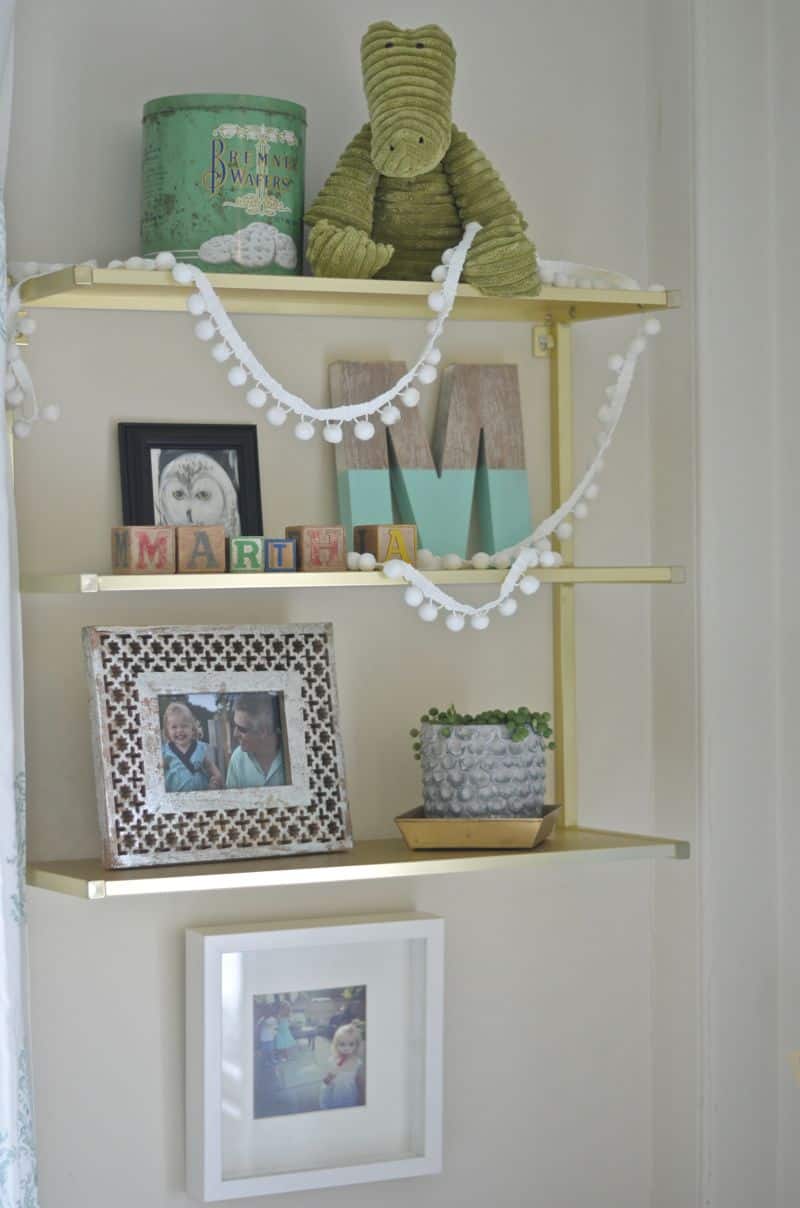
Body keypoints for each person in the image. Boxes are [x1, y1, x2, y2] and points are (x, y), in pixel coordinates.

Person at [225, 694, 287, 788]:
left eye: (242, 729)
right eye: (234, 725)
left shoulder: (291, 754)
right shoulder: (237, 759)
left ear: (263, 731)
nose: (235, 734)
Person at [161, 701, 223, 792]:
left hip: (201, 792)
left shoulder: (199, 747)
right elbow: (159, 770)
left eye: (184, 726)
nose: (179, 730)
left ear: (192, 729)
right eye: (174, 727)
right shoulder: (167, 751)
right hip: (176, 796)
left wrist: (217, 777)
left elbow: (209, 765)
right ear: (167, 731)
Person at [319, 1023, 365, 1110]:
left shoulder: (357, 1063)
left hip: (349, 1095)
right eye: (342, 1044)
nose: (346, 1048)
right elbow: (325, 1081)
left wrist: (362, 1097)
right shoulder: (332, 1060)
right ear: (336, 1045)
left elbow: (360, 1082)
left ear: (356, 1045)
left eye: (351, 1044)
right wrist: (329, 1076)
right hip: (334, 1094)